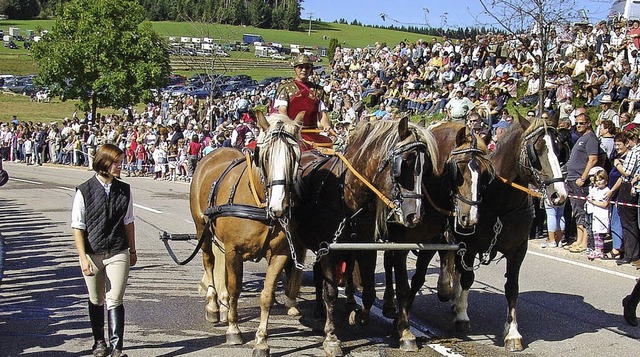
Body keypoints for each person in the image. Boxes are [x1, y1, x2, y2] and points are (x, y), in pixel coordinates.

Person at [71, 143, 136, 357]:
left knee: (115, 298)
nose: (119, 166)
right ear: (104, 163)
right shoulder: (84, 190)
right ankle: (99, 342)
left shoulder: (124, 189)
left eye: (120, 161)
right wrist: (82, 257)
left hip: (118, 250)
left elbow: (129, 222)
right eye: (115, 162)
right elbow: (78, 226)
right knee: (96, 298)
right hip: (93, 252)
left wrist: (132, 250)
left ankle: (117, 347)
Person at [273, 54, 333, 151]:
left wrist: (326, 125)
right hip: (290, 133)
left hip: (312, 133)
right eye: (300, 67)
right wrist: (291, 126)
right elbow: (282, 111)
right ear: (295, 69)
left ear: (311, 69)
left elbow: (322, 114)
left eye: (307, 67)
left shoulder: (318, 90)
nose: (304, 70)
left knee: (329, 147)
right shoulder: (285, 87)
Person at [564, 112, 600, 253]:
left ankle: (584, 242)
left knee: (582, 211)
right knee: (577, 212)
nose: (578, 125)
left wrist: (583, 178)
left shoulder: (590, 138)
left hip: (580, 181)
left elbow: (593, 159)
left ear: (588, 124)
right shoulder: (581, 138)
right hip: (572, 179)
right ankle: (578, 240)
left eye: (581, 123)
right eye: (577, 123)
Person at [585, 168, 611, 260]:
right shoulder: (595, 190)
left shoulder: (607, 191)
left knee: (600, 234)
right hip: (595, 214)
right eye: (597, 180)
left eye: (601, 179)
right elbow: (591, 196)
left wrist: (593, 202)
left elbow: (605, 204)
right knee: (595, 233)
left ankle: (600, 251)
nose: (599, 182)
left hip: (602, 215)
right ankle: (597, 249)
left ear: (606, 180)